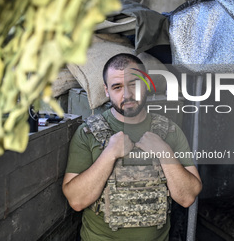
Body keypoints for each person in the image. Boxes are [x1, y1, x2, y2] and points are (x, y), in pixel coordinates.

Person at [62, 53, 202, 241]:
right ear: (106, 91)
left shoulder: (170, 131)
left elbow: (187, 197)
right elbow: (76, 201)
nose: (127, 94)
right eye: (117, 87)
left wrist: (164, 151)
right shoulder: (87, 132)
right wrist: (109, 154)